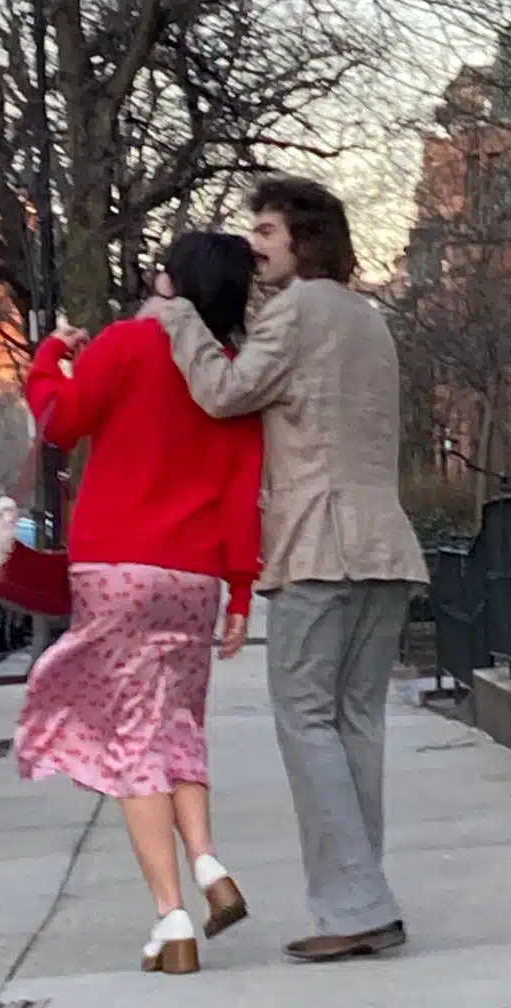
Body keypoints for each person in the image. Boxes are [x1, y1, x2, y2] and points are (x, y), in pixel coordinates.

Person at [141, 177, 430, 963]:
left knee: (305, 722)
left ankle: (357, 905)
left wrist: (176, 315)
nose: (254, 245)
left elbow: (224, 392)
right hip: (384, 546)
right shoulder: (369, 319)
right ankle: (362, 896)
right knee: (355, 724)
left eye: (266, 231)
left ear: (306, 239)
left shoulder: (297, 310)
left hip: (318, 545)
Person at [15, 232, 263, 976]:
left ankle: (172, 915)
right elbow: (242, 493)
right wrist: (240, 590)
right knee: (178, 725)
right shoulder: (231, 377)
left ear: (172, 282)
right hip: (194, 577)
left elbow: (61, 421)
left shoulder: (125, 345)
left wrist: (48, 359)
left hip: (116, 565)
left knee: (132, 742)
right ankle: (208, 861)